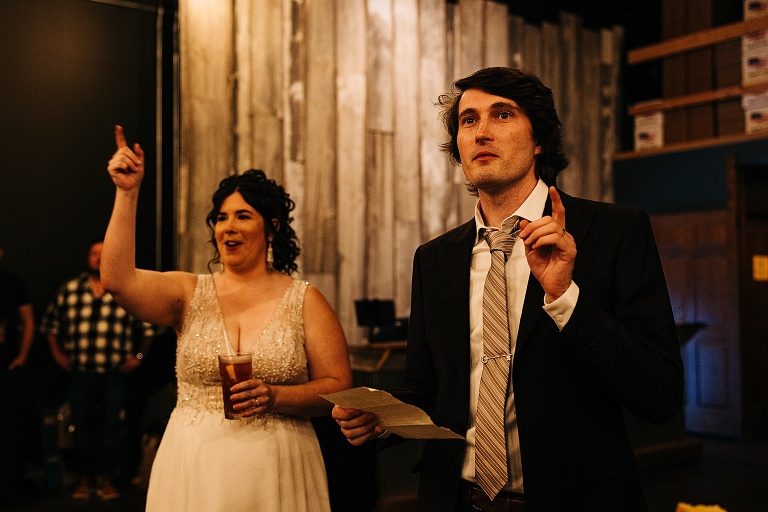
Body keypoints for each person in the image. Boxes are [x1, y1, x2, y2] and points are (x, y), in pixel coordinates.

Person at [332, 67, 683, 512]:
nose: (481, 132)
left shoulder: (613, 232)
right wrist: (382, 418)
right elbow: (427, 389)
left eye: (502, 115)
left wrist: (564, 299)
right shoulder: (435, 259)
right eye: (468, 120)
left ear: (538, 140)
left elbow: (660, 393)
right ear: (458, 148)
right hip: (456, 499)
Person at [101, 125, 352, 512]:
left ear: (273, 228)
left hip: (278, 465)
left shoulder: (304, 299)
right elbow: (117, 281)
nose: (228, 227)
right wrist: (127, 192)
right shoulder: (187, 292)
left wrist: (276, 396)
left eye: (243, 216)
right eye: (220, 218)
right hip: (194, 462)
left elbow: (338, 387)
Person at [40, 239, 154, 501]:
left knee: (110, 428)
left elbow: (149, 327)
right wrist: (58, 354)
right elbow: (49, 325)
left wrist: (139, 356)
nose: (97, 258)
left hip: (115, 374)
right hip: (80, 372)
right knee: (81, 427)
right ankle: (84, 479)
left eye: (103, 254)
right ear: (87, 257)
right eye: (93, 253)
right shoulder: (70, 289)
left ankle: (106, 480)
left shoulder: (123, 291)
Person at [0, 239, 35, 505]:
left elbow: (28, 320)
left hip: (7, 368)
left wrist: (22, 357)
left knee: (9, 429)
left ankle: (8, 486)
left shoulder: (13, 283)